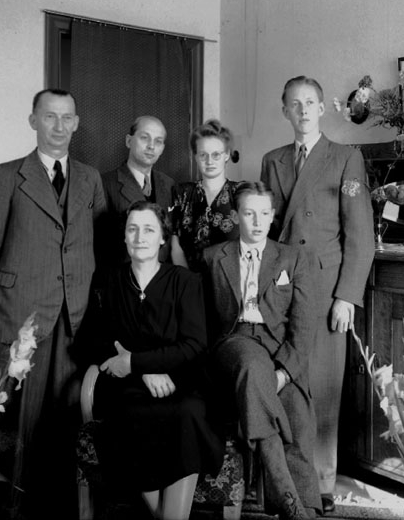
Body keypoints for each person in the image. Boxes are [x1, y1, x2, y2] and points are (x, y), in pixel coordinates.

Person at [0, 88, 106, 519]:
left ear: (76, 124)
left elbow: (101, 248)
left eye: (67, 118)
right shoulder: (6, 176)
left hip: (75, 316)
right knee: (14, 417)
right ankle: (11, 507)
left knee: (65, 416)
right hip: (19, 314)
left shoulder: (90, 179)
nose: (59, 126)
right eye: (49, 117)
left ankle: (55, 505)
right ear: (33, 121)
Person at [260, 76, 374, 514]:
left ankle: (322, 484)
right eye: (295, 104)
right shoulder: (272, 160)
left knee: (324, 383)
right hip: (283, 285)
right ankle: (288, 480)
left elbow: (359, 234)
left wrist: (347, 296)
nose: (303, 110)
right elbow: (267, 228)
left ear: (322, 109)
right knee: (287, 379)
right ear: (284, 111)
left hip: (326, 289)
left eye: (310, 103)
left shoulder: (345, 157)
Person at [90, 201, 224, 520]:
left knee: (187, 413)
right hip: (129, 387)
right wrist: (141, 371)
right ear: (124, 236)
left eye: (149, 229)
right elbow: (94, 341)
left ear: (163, 237)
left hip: (181, 382)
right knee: (130, 416)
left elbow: (195, 345)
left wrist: (138, 362)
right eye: (132, 229)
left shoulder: (185, 281)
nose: (140, 237)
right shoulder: (109, 281)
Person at [203, 181, 321, 519]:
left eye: (264, 214)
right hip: (234, 341)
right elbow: (205, 323)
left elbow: (303, 326)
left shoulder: (292, 258)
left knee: (295, 407)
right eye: (249, 213)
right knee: (253, 366)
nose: (257, 222)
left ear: (272, 216)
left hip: (279, 348)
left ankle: (306, 508)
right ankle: (288, 498)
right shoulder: (213, 257)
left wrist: (285, 373)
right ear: (237, 215)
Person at [100, 116, 176, 271]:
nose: (151, 146)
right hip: (121, 278)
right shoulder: (104, 184)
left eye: (158, 141)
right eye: (144, 138)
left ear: (162, 148)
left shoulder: (169, 185)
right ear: (129, 141)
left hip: (162, 279)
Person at [170, 119, 240, 272]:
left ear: (227, 155)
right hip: (187, 279)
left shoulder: (240, 193)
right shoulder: (182, 193)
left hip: (231, 282)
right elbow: (175, 247)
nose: (209, 161)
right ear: (195, 156)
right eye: (203, 155)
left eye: (216, 155)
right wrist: (188, 282)